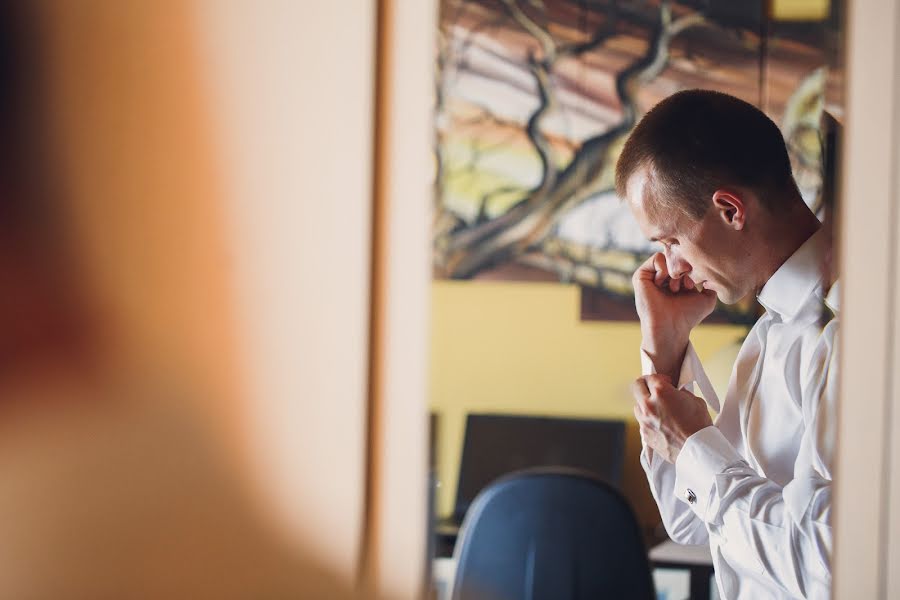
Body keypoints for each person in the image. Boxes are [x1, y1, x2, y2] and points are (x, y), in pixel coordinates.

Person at [616, 89, 837, 599]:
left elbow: (828, 568)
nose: (668, 267)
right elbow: (692, 525)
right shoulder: (766, 337)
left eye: (670, 241)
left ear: (731, 210)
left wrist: (695, 445)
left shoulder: (848, 335)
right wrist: (665, 348)